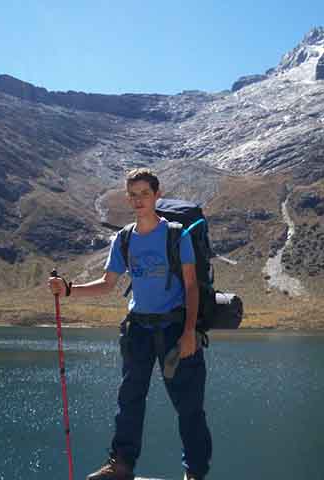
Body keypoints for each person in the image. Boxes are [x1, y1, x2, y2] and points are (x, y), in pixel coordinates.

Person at [48, 168, 212, 480]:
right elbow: (108, 284)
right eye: (133, 195)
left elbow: (191, 287)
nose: (138, 200)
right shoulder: (124, 239)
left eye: (144, 194)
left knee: (189, 406)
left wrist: (190, 331)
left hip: (174, 328)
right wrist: (68, 289)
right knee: (129, 399)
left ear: (156, 195)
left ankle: (194, 474)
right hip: (137, 328)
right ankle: (121, 466)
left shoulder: (177, 235)